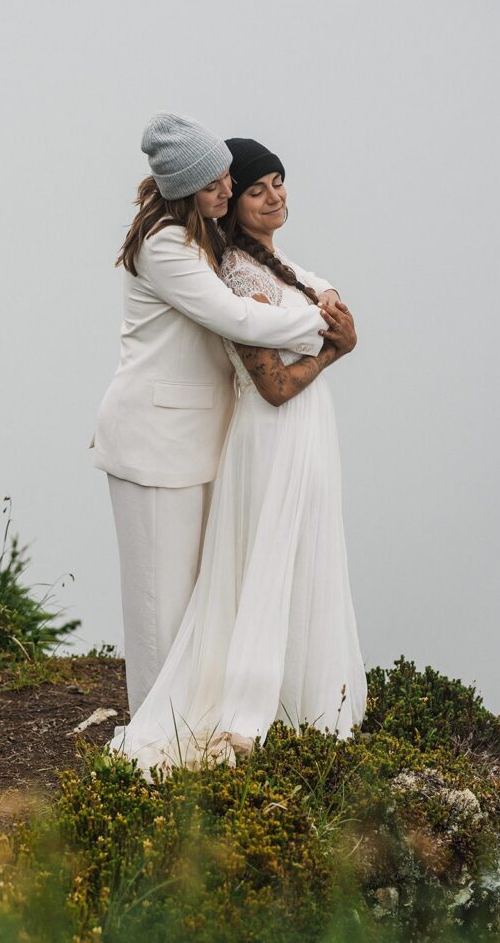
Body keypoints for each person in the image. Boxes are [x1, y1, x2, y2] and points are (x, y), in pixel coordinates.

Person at [108, 136, 368, 779]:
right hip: (182, 435)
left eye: (269, 181)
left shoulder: (248, 259)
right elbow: (260, 358)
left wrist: (328, 325)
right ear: (197, 191)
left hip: (233, 434)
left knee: (266, 566)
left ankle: (291, 699)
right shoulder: (178, 250)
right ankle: (163, 721)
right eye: (245, 187)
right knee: (181, 591)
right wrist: (330, 338)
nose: (263, 194)